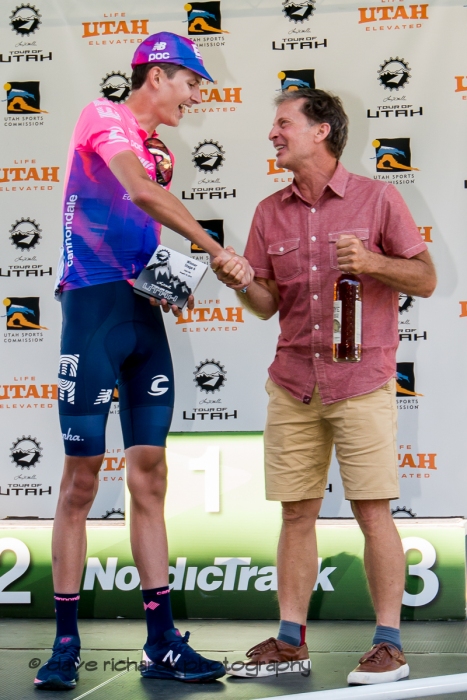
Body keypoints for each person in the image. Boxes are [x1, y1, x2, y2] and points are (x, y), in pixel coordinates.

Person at [34, 32, 253, 691]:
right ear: (158, 75)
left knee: (150, 475)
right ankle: (65, 642)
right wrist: (213, 249)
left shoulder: (161, 149)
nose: (196, 96)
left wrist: (171, 279)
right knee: (79, 482)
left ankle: (161, 640)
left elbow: (142, 229)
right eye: (191, 83)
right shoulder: (103, 116)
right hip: (93, 309)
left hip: (140, 314)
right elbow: (137, 193)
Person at [217, 88, 436, 685]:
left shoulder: (379, 197)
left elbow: (426, 277)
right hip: (292, 384)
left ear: (321, 132)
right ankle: (291, 641)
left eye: (283, 123)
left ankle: (389, 644)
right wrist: (238, 278)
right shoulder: (268, 211)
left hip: (362, 381)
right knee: (295, 514)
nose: (273, 133)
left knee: (371, 511)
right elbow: (265, 304)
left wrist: (372, 263)